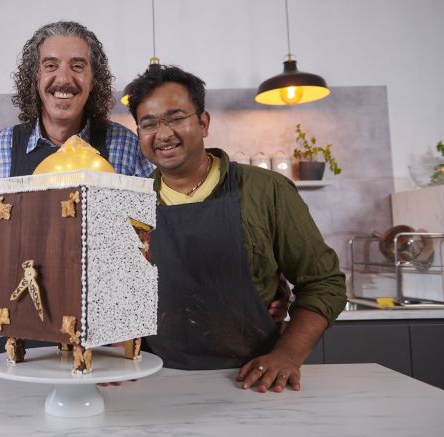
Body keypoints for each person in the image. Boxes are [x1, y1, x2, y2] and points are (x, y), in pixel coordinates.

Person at [125, 65, 347, 393]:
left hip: (252, 381)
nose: (164, 133)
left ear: (203, 122)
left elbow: (323, 282)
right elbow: (119, 297)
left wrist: (287, 355)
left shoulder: (265, 190)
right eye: (149, 123)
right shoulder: (130, 205)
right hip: (154, 379)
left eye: (176, 118)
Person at [0, 21, 154, 239]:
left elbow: (150, 231)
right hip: (26, 274)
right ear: (36, 77)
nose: (64, 79)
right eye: (50, 66)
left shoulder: (124, 143)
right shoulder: (1, 147)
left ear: (93, 80)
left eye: (77, 66)